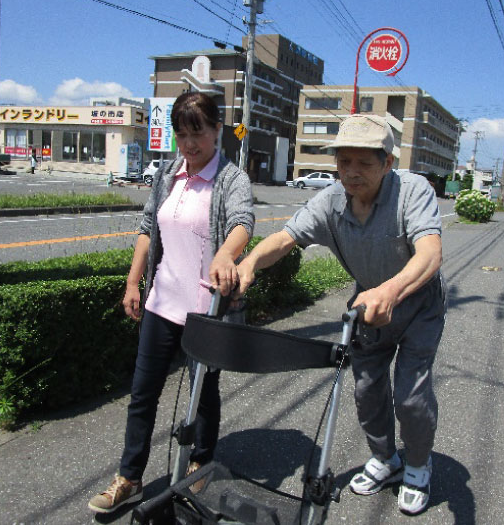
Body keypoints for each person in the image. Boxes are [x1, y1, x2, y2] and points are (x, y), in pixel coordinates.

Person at [235, 114, 446, 515]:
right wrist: (250, 263)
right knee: (367, 391)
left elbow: (431, 253)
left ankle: (418, 464)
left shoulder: (412, 190)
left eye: (364, 163)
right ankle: (386, 459)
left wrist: (390, 290)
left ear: (387, 162)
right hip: (368, 308)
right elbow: (285, 238)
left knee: (411, 396)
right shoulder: (330, 200)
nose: (351, 173)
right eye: (343, 162)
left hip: (418, 305)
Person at [88, 92, 254, 514]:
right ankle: (129, 477)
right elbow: (147, 228)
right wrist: (132, 282)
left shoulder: (231, 179)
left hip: (204, 309)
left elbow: (242, 223)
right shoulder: (167, 174)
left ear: (217, 130)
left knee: (204, 395)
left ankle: (201, 461)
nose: (189, 144)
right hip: (162, 302)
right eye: (181, 135)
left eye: (197, 132)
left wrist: (224, 254)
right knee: (143, 394)